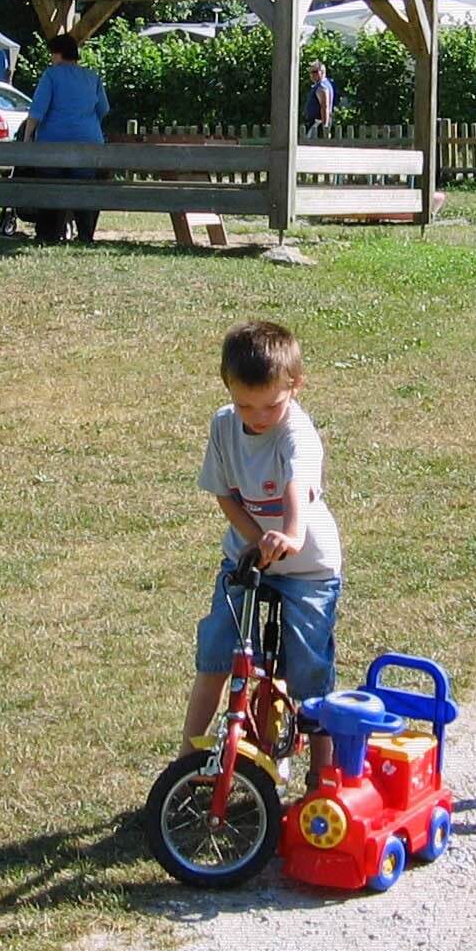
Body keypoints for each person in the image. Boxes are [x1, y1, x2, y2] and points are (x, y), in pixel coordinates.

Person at [182, 320, 340, 763]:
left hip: (308, 566)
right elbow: (226, 495)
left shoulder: (298, 435)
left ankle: (323, 770)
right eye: (244, 405)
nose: (257, 417)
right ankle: (186, 763)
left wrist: (288, 534)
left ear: (296, 386)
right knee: (217, 655)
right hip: (250, 560)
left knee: (308, 668)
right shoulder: (224, 425)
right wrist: (256, 542)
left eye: (270, 405)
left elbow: (296, 491)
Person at [22, 32, 109, 243]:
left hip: (53, 140)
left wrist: (27, 137)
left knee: (50, 187)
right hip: (89, 140)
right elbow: (104, 109)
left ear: (58, 54)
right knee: (84, 189)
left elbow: (37, 111)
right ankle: (86, 234)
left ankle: (49, 234)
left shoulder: (51, 75)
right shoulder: (92, 77)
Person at [303, 56, 337, 132]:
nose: (312, 75)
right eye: (310, 72)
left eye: (315, 72)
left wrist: (325, 126)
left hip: (318, 123)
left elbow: (324, 106)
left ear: (322, 72)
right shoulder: (324, 84)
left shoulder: (322, 86)